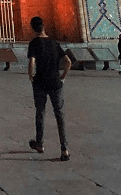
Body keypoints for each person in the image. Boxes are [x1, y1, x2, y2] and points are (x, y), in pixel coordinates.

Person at [27, 16, 71, 161]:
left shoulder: (34, 43)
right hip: (55, 83)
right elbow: (68, 61)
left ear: (33, 28)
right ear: (44, 26)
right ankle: (64, 149)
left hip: (40, 83)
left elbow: (32, 62)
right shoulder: (54, 42)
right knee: (59, 115)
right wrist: (63, 77)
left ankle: (39, 143)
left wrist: (31, 76)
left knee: (40, 113)